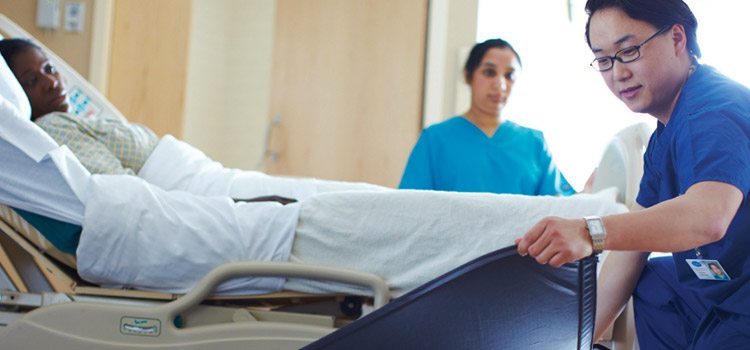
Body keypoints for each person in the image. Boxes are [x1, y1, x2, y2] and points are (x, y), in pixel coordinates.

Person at [516, 0, 750, 348]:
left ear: (676, 38)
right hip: (722, 293)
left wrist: (589, 231)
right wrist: (571, 341)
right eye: (604, 60)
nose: (618, 73)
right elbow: (630, 252)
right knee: (656, 283)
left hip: (741, 304)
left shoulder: (713, 112)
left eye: (628, 51)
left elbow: (708, 217)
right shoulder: (663, 138)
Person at [399, 38, 575, 196]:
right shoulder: (435, 139)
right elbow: (411, 208)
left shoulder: (534, 143)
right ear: (468, 76)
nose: (500, 83)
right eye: (489, 72)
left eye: (509, 75)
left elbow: (558, 206)